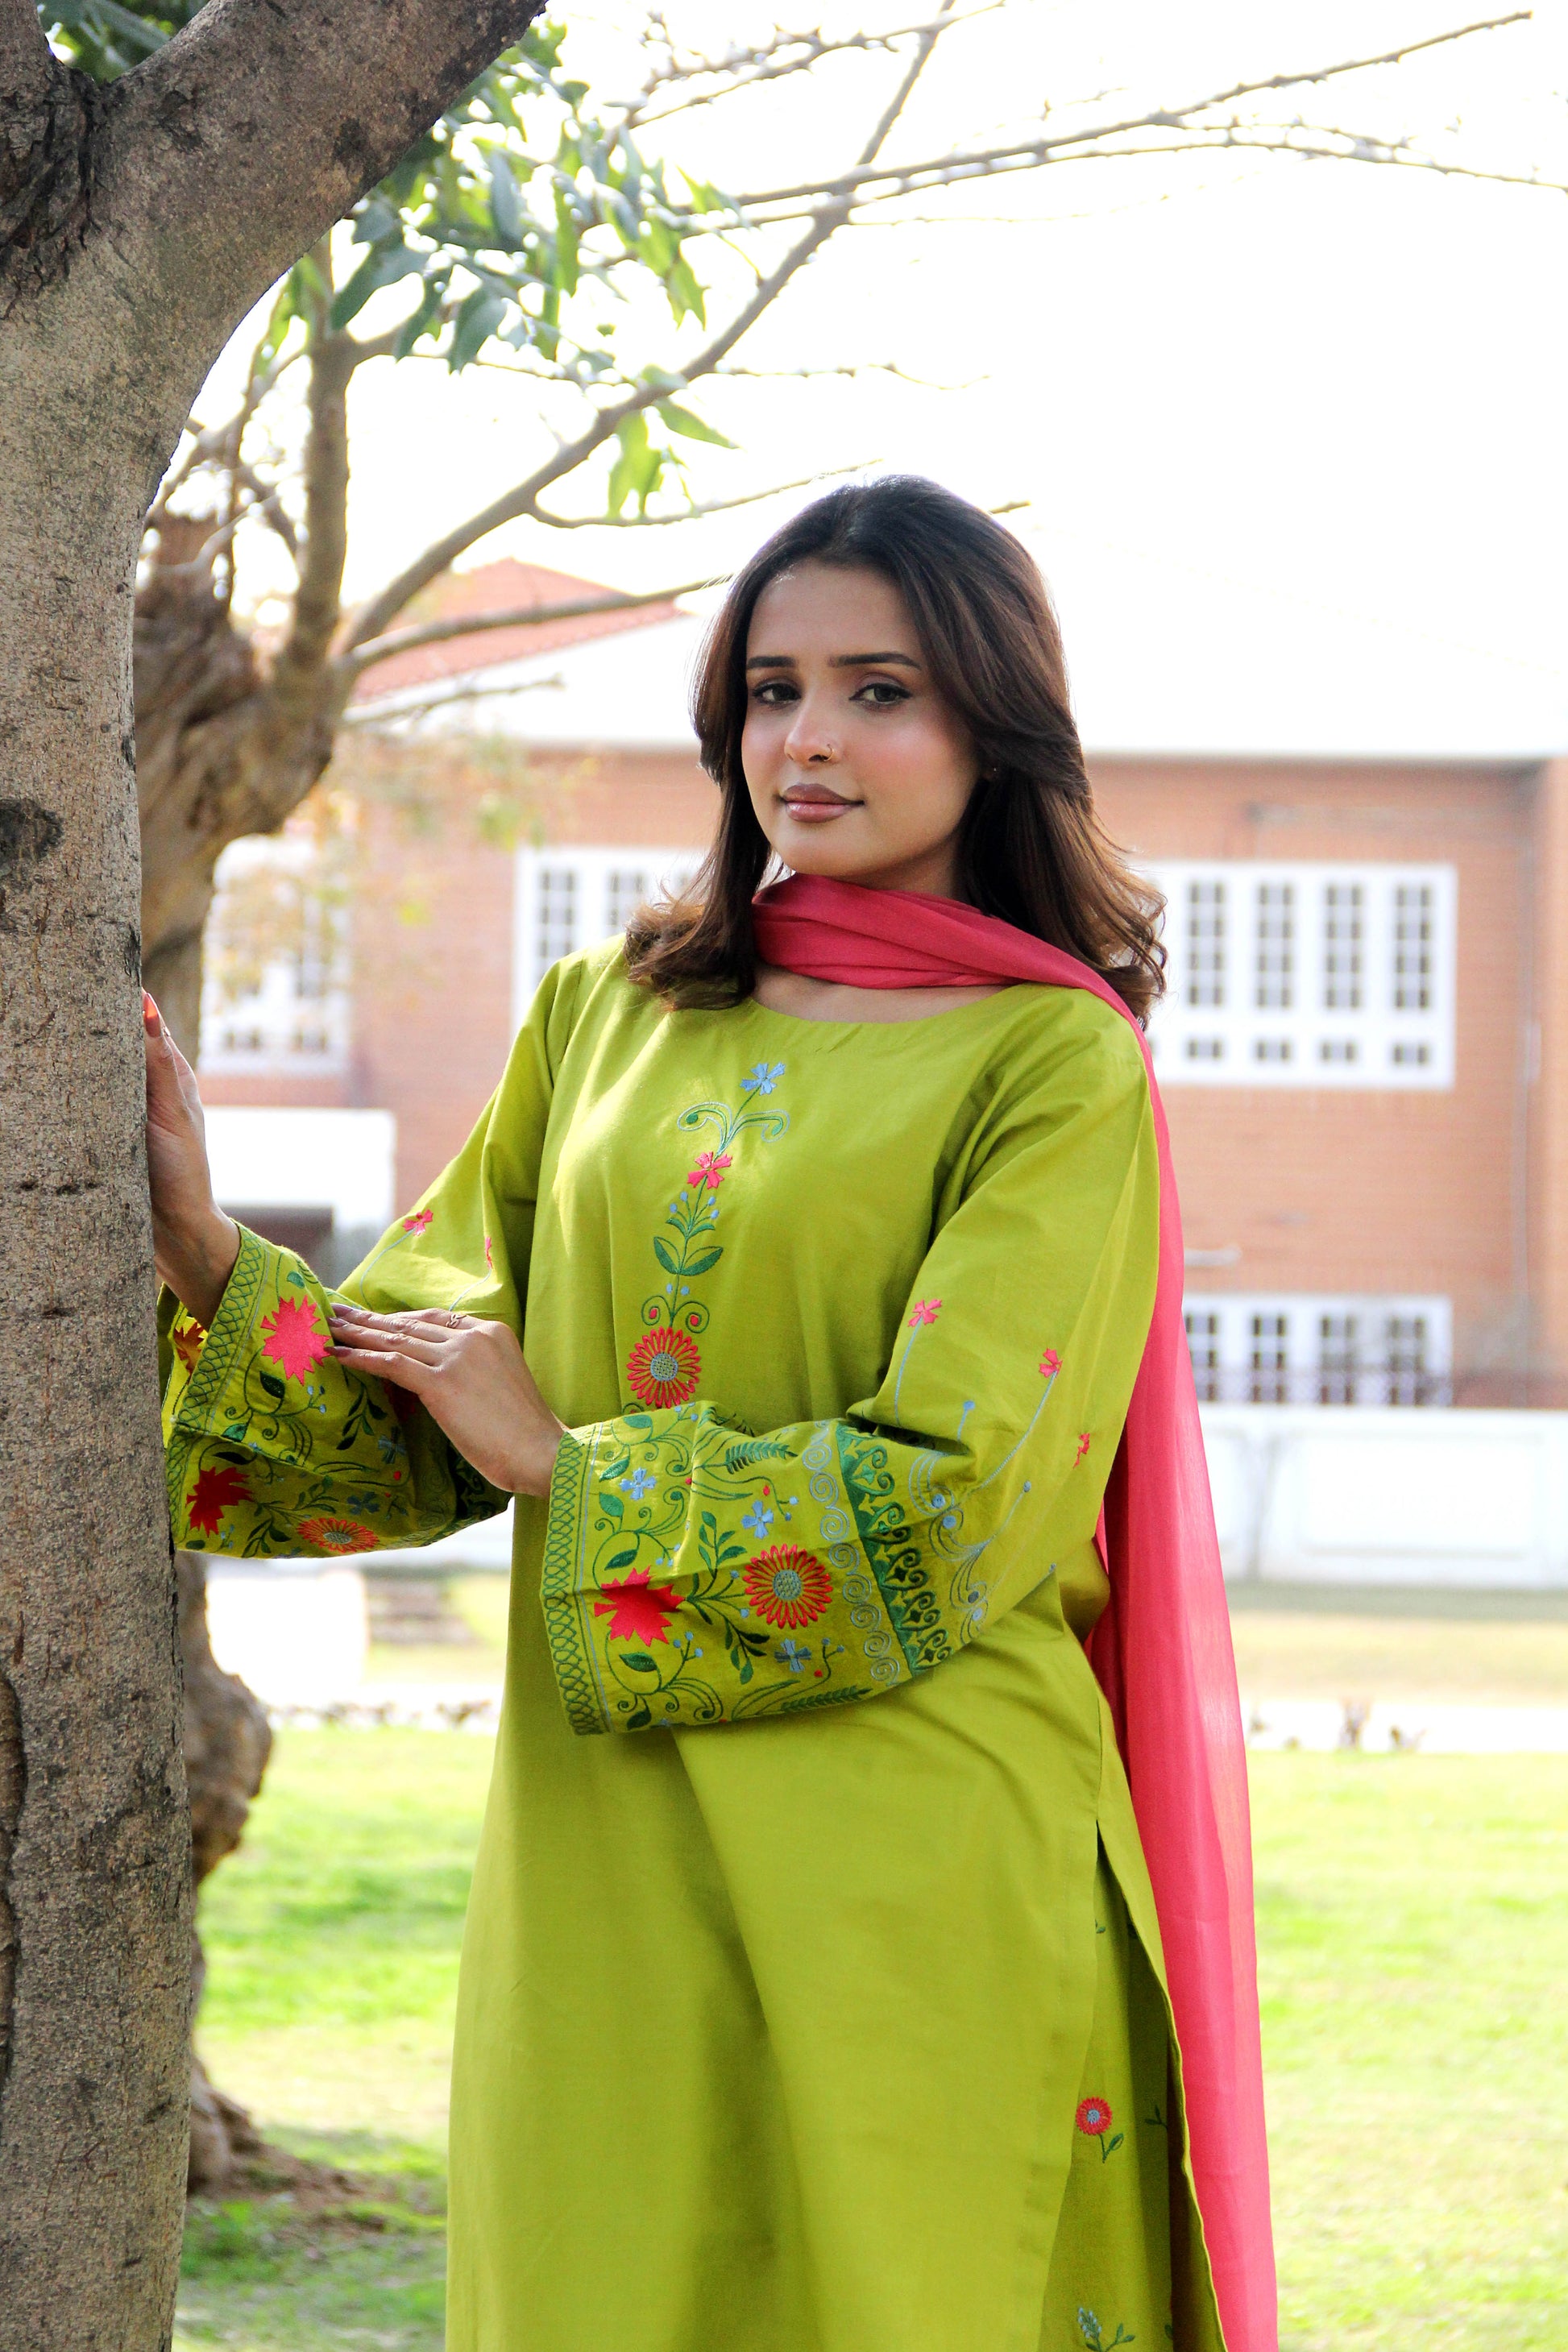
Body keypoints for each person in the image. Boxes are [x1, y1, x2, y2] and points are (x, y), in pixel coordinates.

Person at [147, 476, 1274, 2352]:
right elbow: (425, 1389)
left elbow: (956, 1505)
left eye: (877, 689)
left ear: (993, 724)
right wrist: (206, 1255)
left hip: (914, 1857)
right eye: (770, 688)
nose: (807, 739)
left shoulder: (1049, 1056)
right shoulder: (605, 1013)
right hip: (610, 1858)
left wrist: (559, 1462)